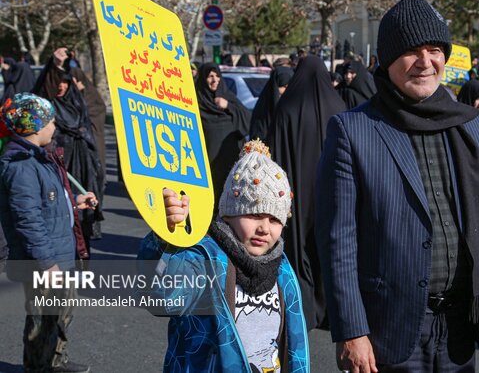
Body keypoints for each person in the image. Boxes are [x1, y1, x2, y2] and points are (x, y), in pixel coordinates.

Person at [315, 0, 479, 372]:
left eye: (434, 50)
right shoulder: (353, 130)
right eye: (410, 51)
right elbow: (338, 240)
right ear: (387, 60)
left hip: (460, 328)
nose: (425, 62)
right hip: (389, 329)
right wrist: (352, 330)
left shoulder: (469, 125)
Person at [138, 139, 309, 372]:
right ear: (228, 214)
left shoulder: (282, 269)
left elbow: (292, 345)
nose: (264, 228)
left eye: (275, 219)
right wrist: (163, 238)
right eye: (254, 214)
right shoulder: (203, 260)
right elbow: (158, 296)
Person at [0, 93, 95, 373]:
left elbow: (51, 204)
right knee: (42, 320)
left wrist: (75, 204)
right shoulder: (20, 167)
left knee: (62, 311)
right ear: (35, 127)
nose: (54, 127)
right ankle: (38, 366)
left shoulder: (41, 158)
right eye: (51, 121)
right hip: (42, 261)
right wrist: (47, 264)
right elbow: (27, 221)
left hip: (59, 255)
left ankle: (56, 360)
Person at [267, 55, 346, 330]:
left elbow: (274, 155)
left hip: (296, 194)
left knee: (298, 244)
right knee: (328, 243)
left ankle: (305, 309)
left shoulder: (287, 107)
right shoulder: (338, 105)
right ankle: (330, 310)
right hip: (332, 190)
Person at [37, 69, 105, 252]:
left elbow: (91, 132)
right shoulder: (47, 107)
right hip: (60, 162)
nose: (61, 86)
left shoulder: (78, 104)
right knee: (62, 208)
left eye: (66, 82)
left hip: (82, 164)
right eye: (58, 82)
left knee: (83, 215)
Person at [195, 63, 251, 208]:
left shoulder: (228, 98)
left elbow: (246, 120)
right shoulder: (197, 104)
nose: (215, 80)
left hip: (230, 162)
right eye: (210, 77)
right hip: (209, 164)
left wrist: (229, 107)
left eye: (217, 76)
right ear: (203, 79)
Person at [249, 65, 294, 141]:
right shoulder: (263, 109)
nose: (286, 91)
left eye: (290, 86)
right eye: (284, 87)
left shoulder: (294, 106)